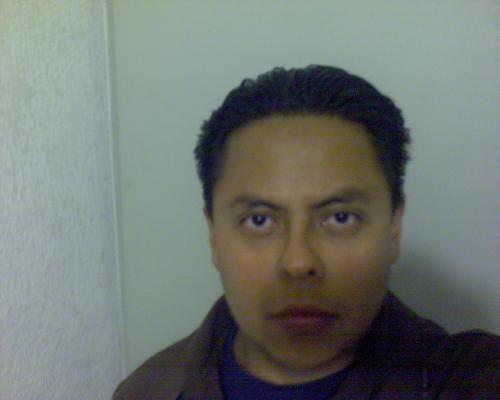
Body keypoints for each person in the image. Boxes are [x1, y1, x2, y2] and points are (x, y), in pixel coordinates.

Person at [112, 65, 499, 399]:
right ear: (213, 236)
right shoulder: (146, 391)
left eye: (340, 218)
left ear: (393, 228)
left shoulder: (473, 379)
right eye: (259, 220)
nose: (298, 262)